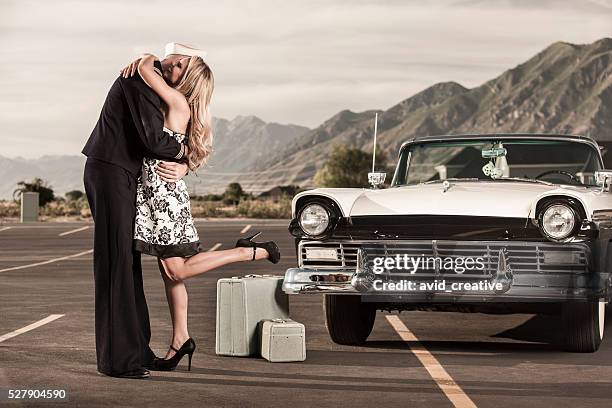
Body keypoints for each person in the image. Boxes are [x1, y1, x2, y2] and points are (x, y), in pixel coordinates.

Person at [120, 46, 280, 372]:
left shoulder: (177, 102)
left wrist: (144, 58)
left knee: (177, 270)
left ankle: (251, 252)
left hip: (164, 199)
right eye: (175, 62)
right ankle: (181, 340)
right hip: (156, 195)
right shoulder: (176, 105)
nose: (172, 66)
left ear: (188, 80)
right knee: (170, 276)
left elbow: (147, 71)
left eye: (180, 66)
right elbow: (187, 147)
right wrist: (185, 163)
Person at [82, 42, 195, 379]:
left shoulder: (148, 77)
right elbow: (152, 141)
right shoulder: (140, 79)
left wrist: (186, 164)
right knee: (116, 262)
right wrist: (189, 150)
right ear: (175, 62)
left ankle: (136, 351)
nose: (180, 82)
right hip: (109, 171)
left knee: (127, 262)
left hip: (121, 173)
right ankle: (117, 361)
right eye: (182, 72)